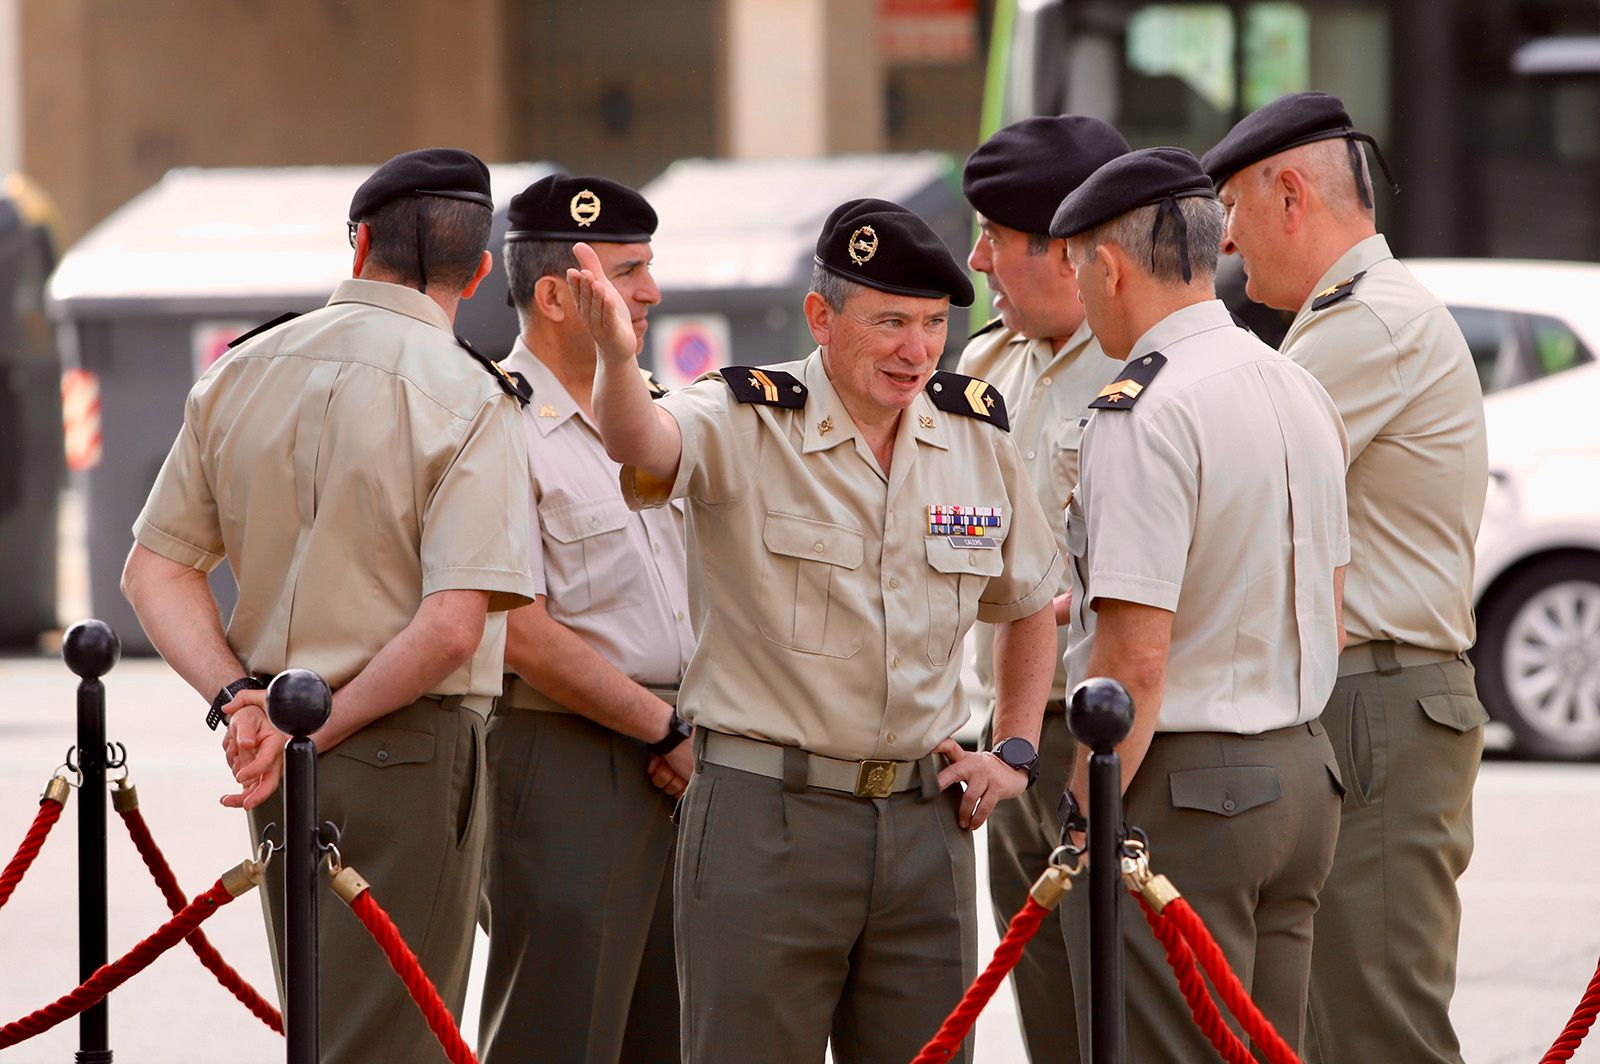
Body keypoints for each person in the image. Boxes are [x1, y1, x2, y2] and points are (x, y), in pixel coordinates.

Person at [566, 197, 1061, 1063]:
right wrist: (615, 357)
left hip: (925, 825)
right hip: (768, 822)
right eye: (890, 322)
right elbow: (636, 439)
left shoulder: (976, 434)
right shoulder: (745, 417)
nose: (917, 350)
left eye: (934, 324)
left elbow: (1026, 603)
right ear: (821, 318)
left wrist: (1015, 748)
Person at [120, 148, 535, 1064]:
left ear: (359, 245)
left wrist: (242, 703)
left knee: (324, 1030)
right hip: (405, 747)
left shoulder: (240, 371)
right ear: (475, 270)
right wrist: (321, 727)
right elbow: (452, 626)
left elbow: (155, 570)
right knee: (393, 1042)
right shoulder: (473, 396)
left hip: (275, 740)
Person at [1203, 91, 1489, 1063]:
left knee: (1370, 1025)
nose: (1227, 241)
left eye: (1232, 209)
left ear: (1291, 194)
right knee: (1329, 1021)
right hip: (1365, 696)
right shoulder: (1353, 316)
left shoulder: (1367, 323)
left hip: (1375, 698)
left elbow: (1227, 482)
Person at [1048, 147, 1350, 1058]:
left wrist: (1077, 819)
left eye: (1078, 270)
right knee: (1263, 1047)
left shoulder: (1143, 410)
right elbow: (1331, 607)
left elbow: (1133, 661)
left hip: (1187, 786)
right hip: (1302, 769)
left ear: (1107, 267)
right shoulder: (1296, 384)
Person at [477, 174, 688, 1064]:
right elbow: (516, 628)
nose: (652, 291)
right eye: (628, 271)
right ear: (558, 295)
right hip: (569, 760)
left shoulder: (657, 416)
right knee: (559, 1030)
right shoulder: (492, 422)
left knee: (676, 1033)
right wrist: (663, 726)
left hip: (684, 759)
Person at [956, 112, 1127, 1064]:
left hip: (1109, 728)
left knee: (1128, 1009)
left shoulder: (1144, 364)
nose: (976, 262)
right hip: (1007, 724)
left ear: (1064, 251)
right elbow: (963, 527)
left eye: (993, 238)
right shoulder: (987, 365)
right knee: (1050, 1014)